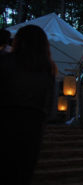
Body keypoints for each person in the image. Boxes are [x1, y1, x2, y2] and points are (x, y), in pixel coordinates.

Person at [0, 25, 57, 185]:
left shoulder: (5, 62)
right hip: (33, 129)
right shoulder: (48, 69)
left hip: (5, 123)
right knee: (22, 173)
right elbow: (51, 107)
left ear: (19, 41)